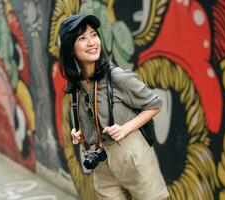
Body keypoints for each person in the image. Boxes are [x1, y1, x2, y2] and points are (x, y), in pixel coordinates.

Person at [59, 13, 169, 200]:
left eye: (94, 35)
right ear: (71, 49)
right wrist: (78, 133)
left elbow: (155, 104)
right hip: (101, 163)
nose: (92, 42)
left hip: (132, 157)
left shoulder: (118, 77)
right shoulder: (77, 86)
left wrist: (125, 128)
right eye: (82, 38)